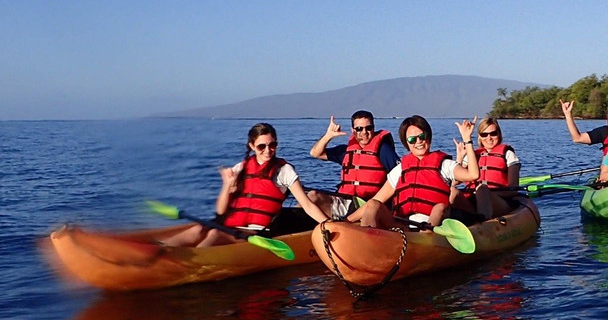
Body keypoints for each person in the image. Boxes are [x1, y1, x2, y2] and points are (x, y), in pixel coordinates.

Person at [162, 123, 328, 247]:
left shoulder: (284, 170)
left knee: (215, 234)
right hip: (230, 223)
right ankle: (161, 249)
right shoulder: (240, 168)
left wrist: (328, 225)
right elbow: (221, 211)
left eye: (272, 145)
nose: (268, 150)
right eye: (262, 146)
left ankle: (186, 262)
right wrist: (227, 185)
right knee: (198, 229)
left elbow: (307, 205)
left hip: (256, 232)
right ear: (252, 146)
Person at [352, 116, 479, 230]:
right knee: (373, 204)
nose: (418, 142)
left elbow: (473, 175)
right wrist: (346, 221)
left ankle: (426, 238)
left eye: (422, 137)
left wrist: (467, 139)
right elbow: (377, 199)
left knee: (440, 207)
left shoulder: (445, 165)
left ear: (428, 137)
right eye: (412, 139)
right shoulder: (400, 169)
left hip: (431, 227)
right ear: (406, 143)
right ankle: (367, 239)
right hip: (402, 226)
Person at [308, 111, 399, 219]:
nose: (364, 132)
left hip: (369, 206)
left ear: (373, 128)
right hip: (346, 201)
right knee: (312, 196)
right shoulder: (346, 151)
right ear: (353, 130)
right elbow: (315, 153)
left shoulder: (383, 150)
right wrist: (328, 136)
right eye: (359, 129)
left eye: (368, 128)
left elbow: (400, 176)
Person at [454, 116, 521, 219]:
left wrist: (485, 194)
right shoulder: (472, 155)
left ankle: (482, 222)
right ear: (479, 137)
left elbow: (513, 190)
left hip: (499, 202)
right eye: (484, 134)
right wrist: (459, 157)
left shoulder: (508, 154)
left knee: (482, 190)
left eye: (493, 133)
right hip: (473, 201)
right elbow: (455, 182)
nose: (489, 138)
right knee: (453, 191)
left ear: (499, 134)